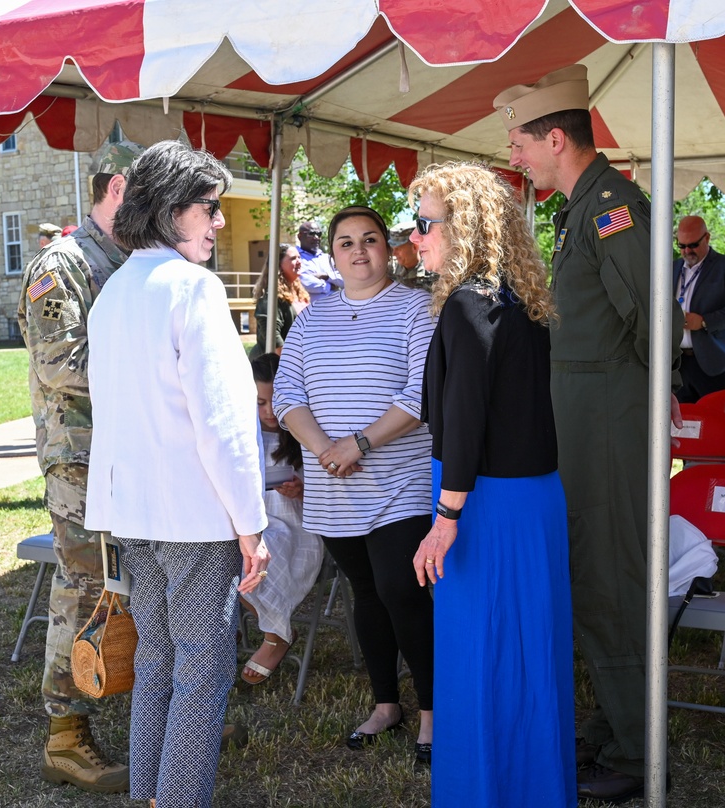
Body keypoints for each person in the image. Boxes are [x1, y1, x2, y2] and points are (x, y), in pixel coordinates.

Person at [493, 65, 683, 804]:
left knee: (612, 577)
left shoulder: (613, 208)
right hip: (584, 418)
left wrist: (633, 408)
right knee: (592, 576)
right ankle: (618, 722)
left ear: (558, 138)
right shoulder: (578, 207)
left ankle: (640, 749)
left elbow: (651, 323)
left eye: (521, 143)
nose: (515, 156)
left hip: (608, 421)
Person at [83, 140, 269, 808]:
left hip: (135, 512)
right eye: (211, 208)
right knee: (200, 668)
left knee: (161, 662)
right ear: (171, 209)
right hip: (191, 514)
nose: (219, 223)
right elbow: (222, 423)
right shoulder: (193, 287)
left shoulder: (112, 293)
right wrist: (251, 524)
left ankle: (152, 797)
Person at [409, 163, 576, 807]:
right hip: (529, 498)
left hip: (481, 501)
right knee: (531, 654)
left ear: (466, 228)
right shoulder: (516, 299)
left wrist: (447, 515)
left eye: (426, 224)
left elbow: (466, 414)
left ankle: (482, 793)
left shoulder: (469, 302)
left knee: (480, 656)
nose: (415, 237)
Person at [273, 204, 435, 761]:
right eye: (346, 242)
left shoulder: (419, 309)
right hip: (334, 484)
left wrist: (358, 443)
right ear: (334, 253)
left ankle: (434, 712)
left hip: (400, 480)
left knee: (401, 589)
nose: (359, 250)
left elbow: (421, 395)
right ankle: (387, 705)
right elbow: (288, 394)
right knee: (367, 595)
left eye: (370, 239)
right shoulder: (312, 317)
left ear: (389, 249)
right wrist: (324, 449)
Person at [16, 138, 143, 794]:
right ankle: (65, 736)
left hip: (136, 458)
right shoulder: (61, 263)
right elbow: (61, 364)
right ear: (117, 188)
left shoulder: (132, 258)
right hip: (84, 461)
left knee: (140, 586)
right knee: (85, 588)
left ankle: (159, 723)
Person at [240, 352, 323, 685]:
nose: (270, 412)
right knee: (224, 552)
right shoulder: (243, 435)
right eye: (260, 402)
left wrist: (302, 490)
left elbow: (336, 489)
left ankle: (276, 634)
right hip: (254, 522)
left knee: (251, 556)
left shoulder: (306, 432)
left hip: (298, 525)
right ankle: (258, 624)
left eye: (277, 401)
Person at [672, 215, 725, 402]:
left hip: (715, 364)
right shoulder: (670, 268)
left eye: (693, 245)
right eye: (681, 246)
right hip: (676, 365)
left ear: (707, 237)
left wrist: (704, 321)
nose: (687, 251)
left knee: (719, 425)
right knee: (682, 428)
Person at [250, 243, 310, 359]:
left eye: (299, 257)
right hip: (276, 367)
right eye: (293, 258)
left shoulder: (299, 291)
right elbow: (273, 337)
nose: (299, 261)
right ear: (278, 265)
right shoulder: (270, 298)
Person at [296, 219, 343, 301]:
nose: (316, 238)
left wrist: (326, 276)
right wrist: (330, 286)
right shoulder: (296, 257)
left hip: (337, 309)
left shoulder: (328, 258)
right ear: (300, 236)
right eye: (311, 234)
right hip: (312, 310)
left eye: (319, 234)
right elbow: (305, 283)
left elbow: (345, 279)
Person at [388, 220, 436, 290]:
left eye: (398, 249)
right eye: (393, 248)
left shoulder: (433, 272)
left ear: (415, 247)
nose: (394, 253)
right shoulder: (391, 269)